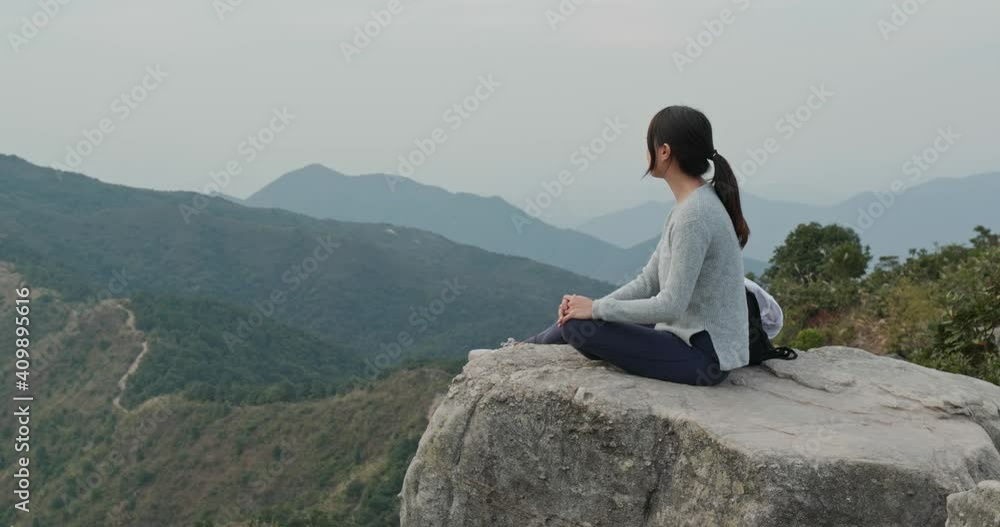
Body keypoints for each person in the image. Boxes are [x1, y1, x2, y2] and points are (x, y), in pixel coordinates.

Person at [521, 106, 749, 386]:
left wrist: (596, 310)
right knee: (579, 319)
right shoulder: (691, 204)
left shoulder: (695, 215)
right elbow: (648, 282)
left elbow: (671, 306)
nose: (646, 152)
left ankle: (523, 349)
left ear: (664, 151)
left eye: (648, 144)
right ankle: (525, 348)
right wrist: (589, 307)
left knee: (579, 327)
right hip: (684, 334)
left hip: (702, 356)